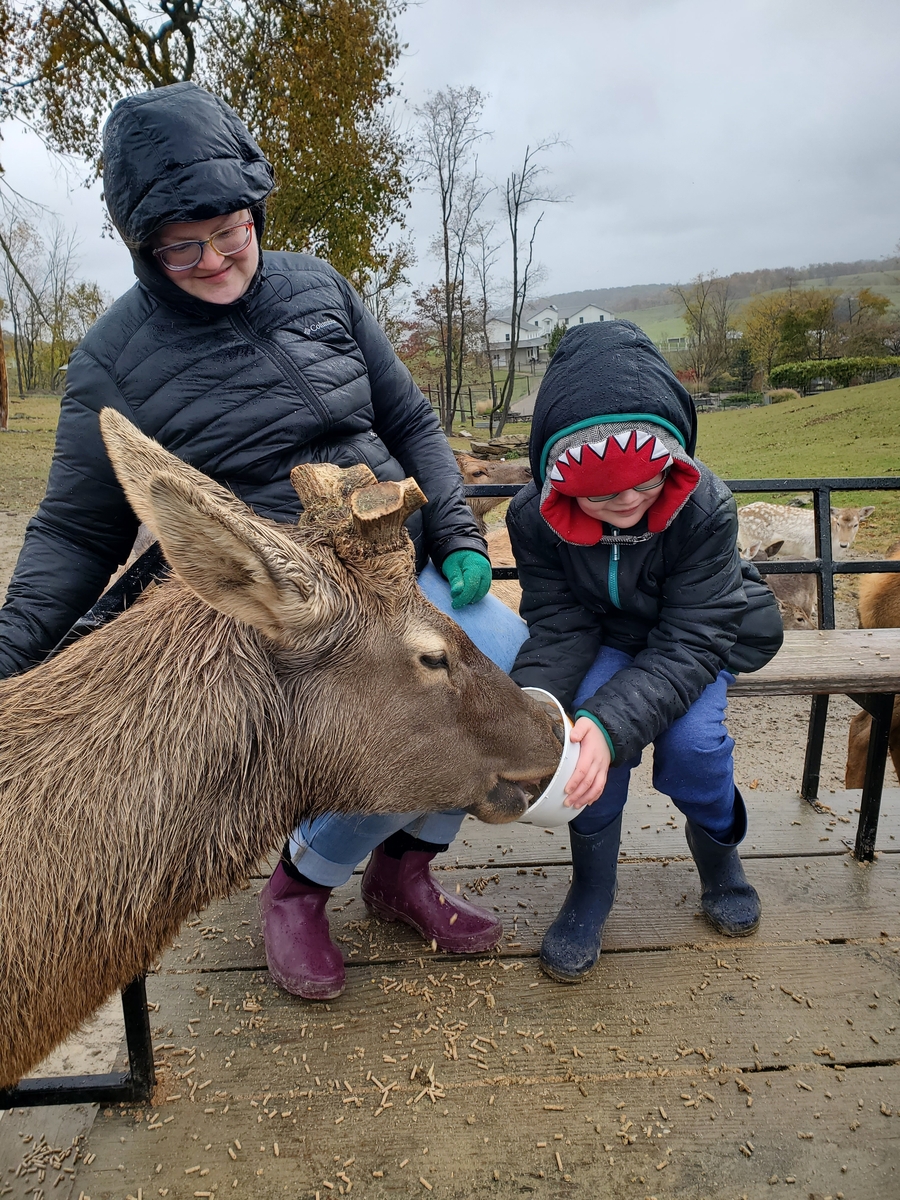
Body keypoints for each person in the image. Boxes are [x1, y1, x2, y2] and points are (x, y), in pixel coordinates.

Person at [0, 82, 528, 1000]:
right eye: (182, 246)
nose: (213, 260)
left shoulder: (319, 287)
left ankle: (402, 870)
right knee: (396, 711)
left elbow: (410, 419)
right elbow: (76, 530)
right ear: (143, 246)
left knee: (501, 643)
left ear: (256, 212)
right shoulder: (112, 358)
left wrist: (455, 530)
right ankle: (301, 886)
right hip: (281, 611)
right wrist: (8, 655)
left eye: (230, 232)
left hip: (386, 565)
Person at [506, 320, 784, 983]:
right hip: (608, 636)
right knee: (583, 751)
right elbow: (557, 623)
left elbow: (694, 636)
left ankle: (720, 856)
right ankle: (592, 888)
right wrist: (532, 712)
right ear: (558, 483)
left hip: (693, 638)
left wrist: (612, 721)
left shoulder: (703, 506)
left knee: (695, 748)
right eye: (603, 493)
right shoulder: (532, 518)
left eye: (646, 482)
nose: (628, 501)